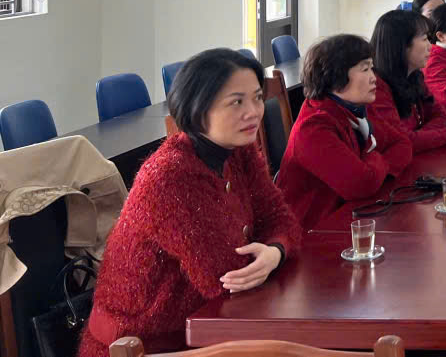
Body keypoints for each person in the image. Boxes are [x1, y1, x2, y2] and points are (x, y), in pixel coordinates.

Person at [79, 49, 301, 357]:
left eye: (257, 98)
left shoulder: (239, 150)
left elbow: (280, 218)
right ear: (198, 108)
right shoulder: (169, 177)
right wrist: (270, 252)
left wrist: (275, 251)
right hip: (141, 347)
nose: (254, 112)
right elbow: (226, 277)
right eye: (237, 102)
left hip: (205, 332)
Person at [275, 34, 412, 231]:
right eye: (365, 69)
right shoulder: (313, 128)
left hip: (352, 218)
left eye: (372, 68)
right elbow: (361, 184)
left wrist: (371, 167)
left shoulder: (355, 108)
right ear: (336, 76)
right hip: (313, 235)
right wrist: (373, 157)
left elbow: (403, 144)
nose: (374, 78)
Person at [369, 9, 446, 153]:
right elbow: (402, 141)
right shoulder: (376, 88)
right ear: (401, 45)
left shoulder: (414, 76)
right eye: (425, 39)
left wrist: (419, 136)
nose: (430, 46)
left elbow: (441, 115)